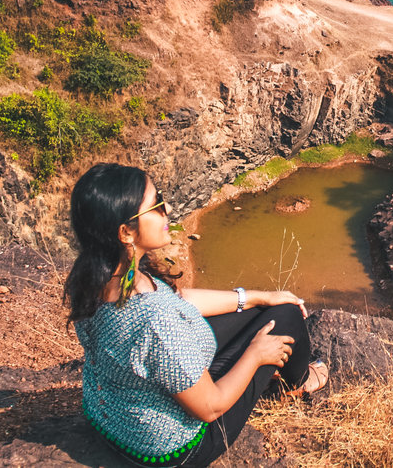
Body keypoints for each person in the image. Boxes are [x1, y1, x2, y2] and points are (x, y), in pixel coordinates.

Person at [64, 163, 328, 467]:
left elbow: (179, 300)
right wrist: (256, 354)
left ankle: (285, 355)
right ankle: (303, 379)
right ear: (126, 232)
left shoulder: (93, 278)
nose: (167, 209)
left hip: (111, 421)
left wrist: (256, 296)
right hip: (172, 450)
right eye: (156, 205)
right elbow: (210, 408)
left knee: (270, 307)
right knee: (287, 315)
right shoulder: (156, 321)